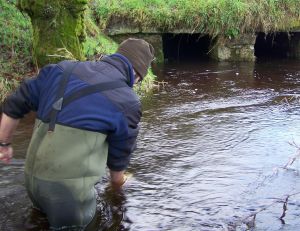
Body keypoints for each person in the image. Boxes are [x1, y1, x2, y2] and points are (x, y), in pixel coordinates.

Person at [0, 38, 155, 230]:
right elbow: (120, 156)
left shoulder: (61, 69)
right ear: (137, 74)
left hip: (31, 182)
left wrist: (4, 145)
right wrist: (119, 185)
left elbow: (14, 104)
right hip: (69, 198)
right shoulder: (127, 101)